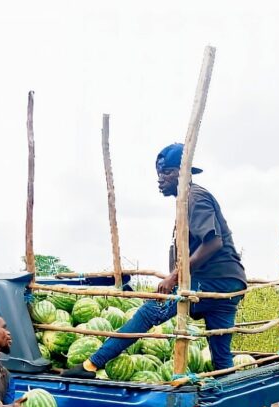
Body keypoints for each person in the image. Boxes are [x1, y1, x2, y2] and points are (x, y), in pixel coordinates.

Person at [63, 142, 247, 377]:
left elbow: (213, 242)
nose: (160, 179)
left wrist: (173, 277)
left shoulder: (195, 197)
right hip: (229, 283)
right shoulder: (187, 199)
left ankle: (91, 365)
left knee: (151, 311)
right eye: (159, 174)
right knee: (221, 357)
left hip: (212, 281)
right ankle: (226, 393)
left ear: (183, 172)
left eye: (167, 173)